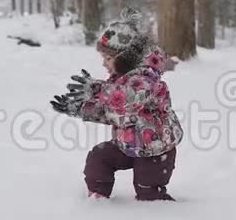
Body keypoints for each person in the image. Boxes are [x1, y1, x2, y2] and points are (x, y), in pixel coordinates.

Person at [50, 10, 183, 201]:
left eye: (108, 58)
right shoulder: (121, 78)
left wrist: (96, 90)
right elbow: (114, 110)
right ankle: (98, 198)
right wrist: (81, 107)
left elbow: (126, 102)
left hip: (155, 150)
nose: (104, 64)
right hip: (129, 143)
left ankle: (160, 211)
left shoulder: (146, 79)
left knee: (147, 190)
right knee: (99, 159)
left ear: (125, 57)